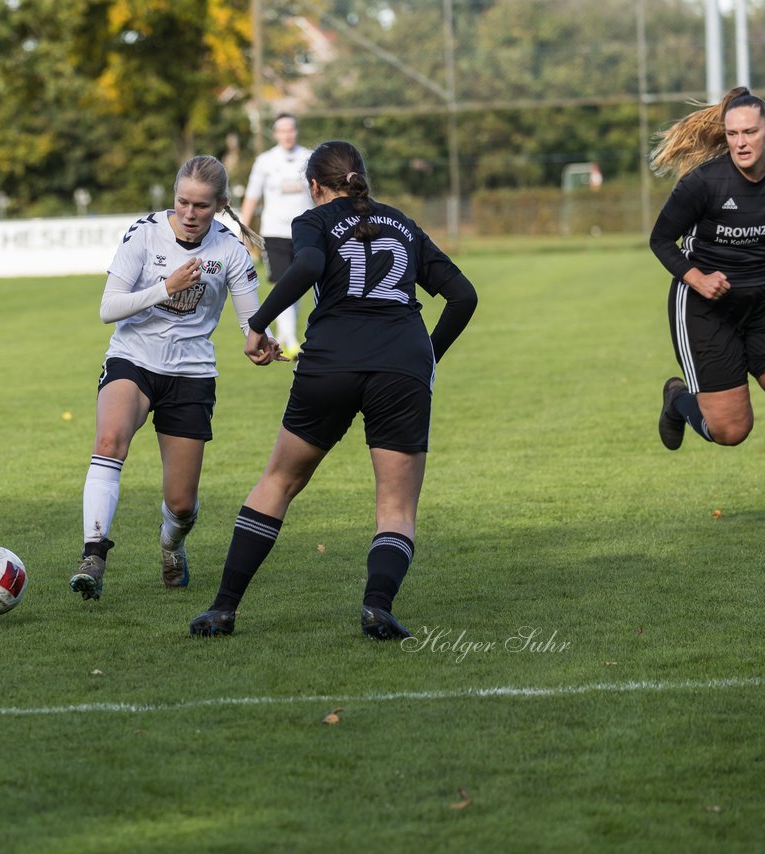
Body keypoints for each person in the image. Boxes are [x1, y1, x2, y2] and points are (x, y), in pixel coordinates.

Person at [188, 140, 478, 639]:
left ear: (315, 187)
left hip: (332, 363)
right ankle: (377, 606)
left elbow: (305, 268)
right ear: (361, 178)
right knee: (396, 506)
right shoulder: (402, 223)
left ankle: (223, 608)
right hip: (401, 367)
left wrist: (258, 325)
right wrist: (427, 356)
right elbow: (463, 296)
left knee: (279, 482)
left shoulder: (313, 221)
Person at [71, 155, 285, 601]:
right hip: (133, 359)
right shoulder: (144, 233)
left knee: (182, 503)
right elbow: (108, 308)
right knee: (110, 441)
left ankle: (172, 543)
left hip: (191, 373)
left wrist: (260, 345)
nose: (190, 214)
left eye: (202, 206)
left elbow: (251, 323)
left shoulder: (229, 250)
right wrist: (165, 288)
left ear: (220, 205)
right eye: (183, 203)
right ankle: (94, 553)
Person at [651, 87, 765, 529]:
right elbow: (660, 240)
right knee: (731, 431)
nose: (740, 141)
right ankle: (679, 400)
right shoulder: (704, 182)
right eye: (733, 133)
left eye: (750, 132)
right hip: (705, 309)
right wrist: (696, 277)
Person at [240, 113, 314, 359]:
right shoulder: (265, 161)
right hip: (275, 231)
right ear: (275, 134)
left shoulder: (309, 157)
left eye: (291, 129)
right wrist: (243, 230)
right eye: (282, 130)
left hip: (306, 231)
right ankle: (292, 340)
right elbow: (252, 196)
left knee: (300, 283)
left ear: (296, 131)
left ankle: (285, 333)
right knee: (282, 282)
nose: (287, 134)